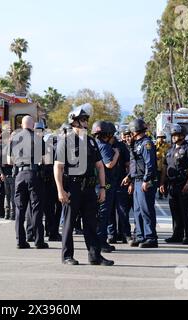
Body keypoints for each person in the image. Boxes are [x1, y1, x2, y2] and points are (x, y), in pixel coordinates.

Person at [55, 104, 114, 266]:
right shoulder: (65, 142)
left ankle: (95, 256)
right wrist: (60, 190)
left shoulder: (90, 142)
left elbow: (100, 166)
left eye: (87, 119)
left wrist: (102, 188)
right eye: (83, 119)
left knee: (91, 224)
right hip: (72, 188)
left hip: (89, 189)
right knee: (68, 224)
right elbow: (58, 167)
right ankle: (67, 256)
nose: (86, 122)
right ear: (74, 121)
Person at [11, 116, 48, 249]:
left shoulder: (14, 138)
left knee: (20, 209)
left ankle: (20, 241)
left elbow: (11, 160)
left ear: (21, 125)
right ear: (33, 125)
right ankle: (39, 240)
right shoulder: (37, 138)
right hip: (33, 174)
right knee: (36, 208)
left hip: (20, 175)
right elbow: (45, 158)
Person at [122, 119, 159, 248]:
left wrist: (146, 180)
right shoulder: (136, 144)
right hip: (137, 180)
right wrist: (129, 177)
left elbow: (149, 164)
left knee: (146, 210)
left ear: (135, 131)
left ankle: (150, 237)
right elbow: (136, 164)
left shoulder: (146, 144)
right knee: (137, 210)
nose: (129, 135)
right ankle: (139, 235)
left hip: (144, 181)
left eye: (131, 132)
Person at [160, 124, 188, 245]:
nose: (173, 137)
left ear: (182, 136)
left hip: (184, 184)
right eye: (172, 135)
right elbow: (165, 167)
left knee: (185, 211)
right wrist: (162, 183)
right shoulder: (170, 150)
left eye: (175, 135)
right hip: (172, 185)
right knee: (175, 211)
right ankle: (177, 235)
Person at [91, 121, 118, 252]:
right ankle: (101, 242)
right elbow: (109, 165)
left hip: (95, 184)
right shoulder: (105, 147)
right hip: (105, 184)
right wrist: (117, 154)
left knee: (97, 215)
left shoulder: (93, 145)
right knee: (103, 214)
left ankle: (97, 241)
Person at [110, 127, 133, 244]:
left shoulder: (121, 146)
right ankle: (112, 234)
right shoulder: (103, 145)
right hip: (108, 183)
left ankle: (125, 234)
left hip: (120, 182)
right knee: (109, 211)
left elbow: (128, 164)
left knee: (122, 210)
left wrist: (130, 180)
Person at [0, 124, 16, 220]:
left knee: (9, 195)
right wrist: (2, 173)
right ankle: (10, 214)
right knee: (11, 195)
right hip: (9, 174)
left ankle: (9, 213)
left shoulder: (3, 146)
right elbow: (0, 162)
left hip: (7, 174)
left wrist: (2, 173)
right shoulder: (9, 147)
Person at [156, 131, 170, 200]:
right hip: (157, 167)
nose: (161, 139)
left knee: (165, 181)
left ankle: (164, 193)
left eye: (162, 137)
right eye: (159, 137)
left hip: (165, 167)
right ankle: (160, 193)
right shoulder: (155, 146)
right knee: (158, 181)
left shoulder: (168, 146)